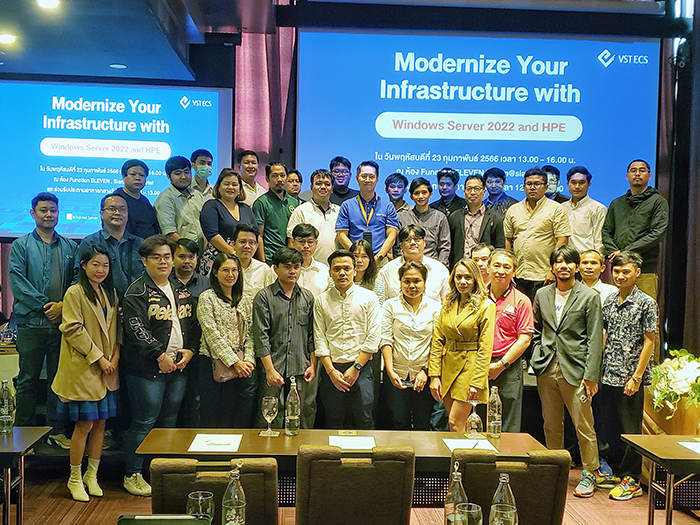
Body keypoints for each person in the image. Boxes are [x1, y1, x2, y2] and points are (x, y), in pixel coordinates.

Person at [121, 235, 196, 496]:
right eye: (157, 257)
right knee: (144, 421)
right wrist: (159, 355)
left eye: (167, 257)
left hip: (178, 366)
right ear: (144, 261)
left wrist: (190, 350)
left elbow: (191, 323)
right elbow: (136, 329)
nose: (163, 262)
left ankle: (163, 472)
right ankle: (132, 474)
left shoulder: (180, 288)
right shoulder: (136, 291)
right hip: (146, 369)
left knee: (169, 421)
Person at [531, 245, 604, 498]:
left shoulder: (589, 296)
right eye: (559, 262)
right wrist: (538, 353)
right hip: (547, 368)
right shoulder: (542, 294)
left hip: (577, 370)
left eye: (569, 262)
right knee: (551, 424)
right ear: (552, 267)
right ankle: (555, 469)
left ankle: (590, 472)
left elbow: (595, 338)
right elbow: (537, 328)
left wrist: (591, 376)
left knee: (583, 425)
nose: (563, 266)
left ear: (576, 267)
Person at [9, 192, 78, 449]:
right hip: (30, 325)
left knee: (58, 381)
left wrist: (63, 306)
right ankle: (23, 435)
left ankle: (56, 431)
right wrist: (44, 305)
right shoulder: (21, 245)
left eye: (53, 210)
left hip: (61, 326)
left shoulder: (70, 247)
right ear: (33, 213)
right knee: (27, 380)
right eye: (43, 210)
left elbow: (77, 280)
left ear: (58, 213)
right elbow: (17, 281)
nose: (49, 214)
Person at [52, 247, 119, 502]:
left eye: (105, 265)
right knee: (84, 425)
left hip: (108, 369)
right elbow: (72, 329)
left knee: (101, 424)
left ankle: (92, 475)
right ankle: (74, 478)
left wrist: (114, 357)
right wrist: (99, 358)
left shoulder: (110, 292)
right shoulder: (75, 292)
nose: (101, 270)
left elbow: (116, 330)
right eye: (95, 265)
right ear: (83, 265)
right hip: (85, 368)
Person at [596, 251, 657, 500]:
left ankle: (633, 479)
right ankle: (618, 472)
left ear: (637, 273)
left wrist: (637, 377)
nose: (620, 276)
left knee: (631, 430)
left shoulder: (646, 303)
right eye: (617, 271)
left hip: (630, 378)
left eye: (626, 272)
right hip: (608, 374)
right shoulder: (609, 300)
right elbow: (603, 335)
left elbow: (649, 341)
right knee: (610, 428)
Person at [314, 250, 381, 429]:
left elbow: (373, 337)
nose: (342, 273)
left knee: (364, 419)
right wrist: (331, 371)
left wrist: (356, 368)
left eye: (346, 268)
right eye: (337, 269)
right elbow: (319, 337)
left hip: (361, 367)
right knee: (333, 420)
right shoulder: (321, 300)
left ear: (355, 271)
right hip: (332, 369)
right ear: (330, 272)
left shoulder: (369, 298)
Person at [429, 258, 495, 432]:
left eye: (468, 277)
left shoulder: (486, 306)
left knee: (455, 422)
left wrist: (477, 382)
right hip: (448, 366)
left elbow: (485, 347)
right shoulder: (448, 303)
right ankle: (467, 450)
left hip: (469, 368)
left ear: (475, 279)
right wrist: (434, 375)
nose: (463, 281)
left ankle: (461, 452)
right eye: (458, 277)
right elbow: (437, 339)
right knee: (458, 425)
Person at [253, 247, 316, 428]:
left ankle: (301, 446)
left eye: (297, 267)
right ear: (275, 268)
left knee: (303, 412)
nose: (293, 271)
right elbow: (261, 336)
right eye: (287, 267)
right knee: (271, 413)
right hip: (274, 365)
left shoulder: (307, 297)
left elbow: (312, 335)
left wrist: (313, 365)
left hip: (301, 366)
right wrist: (269, 369)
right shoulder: (264, 297)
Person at [197, 252, 257, 428]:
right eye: (225, 270)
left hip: (241, 366)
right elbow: (211, 334)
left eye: (234, 270)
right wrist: (234, 362)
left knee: (233, 414)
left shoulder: (244, 299)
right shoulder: (207, 298)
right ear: (215, 272)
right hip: (212, 362)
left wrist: (248, 361)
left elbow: (250, 334)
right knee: (211, 414)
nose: (230, 274)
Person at [381, 261, 440, 430]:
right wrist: (390, 371)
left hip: (424, 375)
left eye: (417, 281)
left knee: (423, 423)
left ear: (425, 282)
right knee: (398, 422)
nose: (411, 286)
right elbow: (386, 340)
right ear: (400, 282)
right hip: (396, 374)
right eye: (407, 281)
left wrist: (425, 370)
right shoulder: (390, 305)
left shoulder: (435, 307)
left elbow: (437, 343)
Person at [602, 159, 669, 302]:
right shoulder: (617, 203)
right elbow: (606, 231)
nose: (637, 174)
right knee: (617, 309)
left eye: (642, 170)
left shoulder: (657, 201)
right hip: (619, 269)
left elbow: (657, 233)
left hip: (645, 268)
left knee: (646, 310)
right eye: (633, 170)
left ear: (649, 176)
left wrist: (626, 251)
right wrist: (615, 252)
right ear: (627, 176)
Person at [503, 167, 571, 302]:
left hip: (544, 275)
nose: (532, 187)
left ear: (545, 187)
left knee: (542, 312)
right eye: (529, 184)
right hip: (518, 275)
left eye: (537, 184)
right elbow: (508, 240)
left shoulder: (557, 209)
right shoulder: (513, 210)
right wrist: (509, 268)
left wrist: (553, 269)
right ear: (523, 187)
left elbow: (562, 240)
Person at [485, 249, 533, 432]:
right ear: (488, 268)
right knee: (477, 418)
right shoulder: (476, 298)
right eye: (496, 265)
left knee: (508, 423)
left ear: (514, 272)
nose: (501, 271)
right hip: (479, 364)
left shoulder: (522, 301)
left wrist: (501, 365)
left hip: (508, 366)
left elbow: (524, 340)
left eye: (507, 267)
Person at [171, 238, 208, 428]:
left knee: (196, 401)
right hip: (169, 354)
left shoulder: (207, 284)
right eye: (182, 256)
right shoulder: (163, 283)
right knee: (171, 405)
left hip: (199, 352)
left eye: (191, 256)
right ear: (172, 259)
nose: (187, 261)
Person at [78, 193, 144, 299]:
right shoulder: (90, 242)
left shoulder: (140, 244)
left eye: (122, 209)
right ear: (101, 213)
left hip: (136, 304)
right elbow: (79, 278)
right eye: (112, 209)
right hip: (102, 303)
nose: (117, 213)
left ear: (127, 213)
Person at [336, 160, 399, 265]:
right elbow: (342, 235)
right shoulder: (347, 205)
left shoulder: (388, 206)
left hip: (379, 261)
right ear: (357, 178)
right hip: (355, 262)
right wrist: (357, 256)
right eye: (364, 176)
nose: (367, 180)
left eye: (371, 177)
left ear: (377, 179)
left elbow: (392, 236)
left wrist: (378, 257)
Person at [199, 169, 258, 275]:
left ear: (240, 188)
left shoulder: (245, 208)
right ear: (219, 187)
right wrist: (233, 253)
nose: (230, 187)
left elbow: (255, 233)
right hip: (218, 259)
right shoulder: (211, 206)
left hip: (243, 259)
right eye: (226, 184)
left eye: (234, 184)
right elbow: (212, 235)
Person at [376, 225, 450, 305]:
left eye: (417, 239)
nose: (413, 243)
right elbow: (380, 301)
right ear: (401, 245)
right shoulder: (388, 270)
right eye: (407, 240)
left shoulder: (439, 269)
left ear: (424, 243)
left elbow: (447, 301)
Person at [448, 174, 504, 269]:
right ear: (464, 192)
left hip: (483, 269)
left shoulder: (494, 218)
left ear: (484, 192)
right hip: (461, 268)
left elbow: (499, 248)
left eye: (477, 189)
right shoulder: (455, 216)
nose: (472, 192)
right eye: (469, 189)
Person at [286, 169, 340, 264]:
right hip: (308, 267)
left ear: (332, 188)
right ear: (311, 187)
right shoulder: (301, 211)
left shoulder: (339, 211)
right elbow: (292, 242)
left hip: (336, 266)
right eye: (318, 183)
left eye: (327, 184)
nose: (323, 187)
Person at [397, 177, 451, 266]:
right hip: (408, 266)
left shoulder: (440, 217)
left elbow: (445, 246)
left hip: (433, 266)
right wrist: (403, 265)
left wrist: (440, 267)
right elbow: (398, 247)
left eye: (424, 192)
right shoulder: (402, 217)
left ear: (430, 195)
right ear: (411, 197)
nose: (421, 196)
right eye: (416, 193)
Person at [253, 162, 299, 263]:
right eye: (274, 176)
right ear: (267, 179)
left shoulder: (294, 202)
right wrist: (263, 262)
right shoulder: (261, 203)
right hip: (270, 258)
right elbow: (258, 235)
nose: (279, 179)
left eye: (282, 175)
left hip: (290, 258)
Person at [175, 150, 217, 250]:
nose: (206, 166)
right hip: (186, 245)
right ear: (192, 165)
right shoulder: (184, 189)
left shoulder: (216, 192)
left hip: (211, 246)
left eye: (209, 164)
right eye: (202, 163)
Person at [561, 166, 607, 254]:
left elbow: (599, 241)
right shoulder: (562, 208)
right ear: (567, 184)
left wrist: (597, 258)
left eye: (582, 183)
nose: (577, 186)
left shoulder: (598, 209)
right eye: (573, 182)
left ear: (589, 185)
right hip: (566, 258)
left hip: (587, 258)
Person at [114, 159, 161, 238]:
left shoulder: (144, 200)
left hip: (151, 243)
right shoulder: (116, 200)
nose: (138, 178)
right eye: (133, 174)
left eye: (142, 175)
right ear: (124, 177)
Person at [154, 155, 196, 241]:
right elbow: (169, 233)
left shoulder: (197, 194)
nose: (183, 177)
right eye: (178, 173)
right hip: (180, 248)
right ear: (168, 177)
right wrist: (186, 248)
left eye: (186, 172)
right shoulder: (165, 199)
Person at [232, 223, 275, 303]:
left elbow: (271, 298)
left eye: (252, 242)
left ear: (257, 246)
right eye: (242, 241)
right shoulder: (224, 267)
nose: (247, 246)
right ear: (233, 244)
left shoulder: (264, 269)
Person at [291, 224, 330, 297]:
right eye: (301, 241)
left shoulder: (325, 270)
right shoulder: (283, 268)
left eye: (310, 242)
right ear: (293, 243)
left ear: (316, 243)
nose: (306, 246)